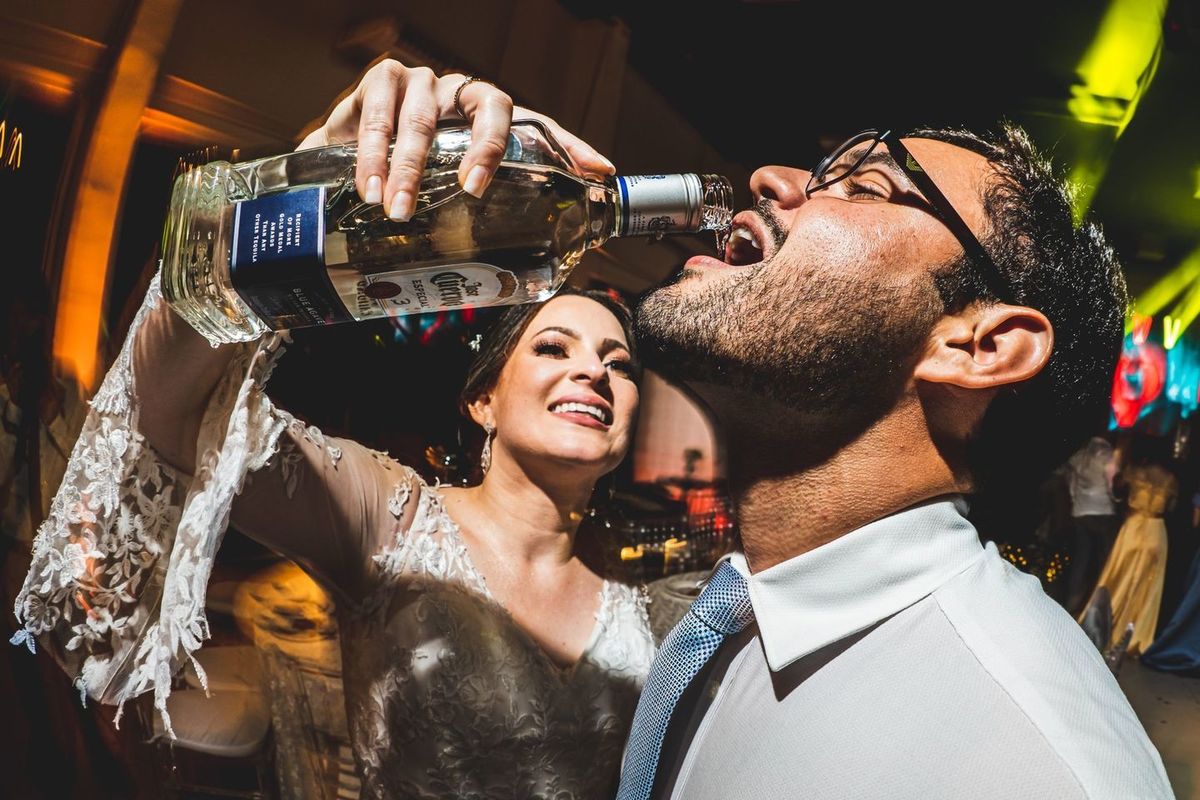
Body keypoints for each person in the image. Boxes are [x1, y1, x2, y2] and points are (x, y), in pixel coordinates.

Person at [297, 61, 1169, 798]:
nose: (773, 180)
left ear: (978, 345)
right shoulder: (723, 618)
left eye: (866, 185)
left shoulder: (1036, 762)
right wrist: (308, 209)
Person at [11, 65, 656, 796]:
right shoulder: (390, 518)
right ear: (484, 402)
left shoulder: (643, 589)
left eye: (620, 364)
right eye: (554, 349)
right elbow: (176, 409)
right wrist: (296, 190)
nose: (593, 372)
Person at [1081, 449, 1177, 657]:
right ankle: (1134, 634)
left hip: (1134, 527)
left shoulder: (1135, 472)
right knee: (1147, 586)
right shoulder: (1170, 479)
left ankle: (1104, 625)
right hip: (1155, 531)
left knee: (1118, 576)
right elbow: (1171, 507)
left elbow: (1118, 492)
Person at [1064, 434, 1122, 615]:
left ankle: (1072, 604)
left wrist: (1076, 502)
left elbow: (1071, 484)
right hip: (1103, 511)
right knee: (1104, 560)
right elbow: (1112, 484)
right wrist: (1116, 500)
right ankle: (1099, 605)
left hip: (1081, 511)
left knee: (1081, 560)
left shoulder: (1079, 455)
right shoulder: (1107, 455)